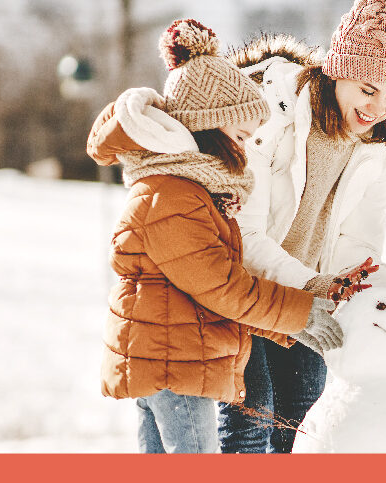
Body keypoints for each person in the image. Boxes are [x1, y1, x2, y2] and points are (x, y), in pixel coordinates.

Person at [87, 19, 344, 453]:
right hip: (174, 362)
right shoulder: (173, 196)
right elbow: (223, 286)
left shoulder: (183, 190)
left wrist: (287, 330)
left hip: (169, 356)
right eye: (241, 136)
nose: (245, 150)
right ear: (209, 125)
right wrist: (300, 314)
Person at [216, 0, 386, 454]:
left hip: (306, 290)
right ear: (337, 69)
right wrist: (314, 286)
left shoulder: (380, 148)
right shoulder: (272, 113)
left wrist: (379, 297)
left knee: (306, 403)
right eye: (368, 88)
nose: (377, 108)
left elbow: (359, 245)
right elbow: (244, 237)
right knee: (253, 410)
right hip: (238, 285)